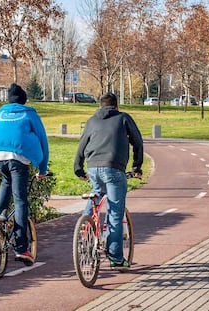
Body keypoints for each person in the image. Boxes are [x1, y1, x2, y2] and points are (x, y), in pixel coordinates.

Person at [0, 83, 49, 264]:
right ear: (24, 100)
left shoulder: (1, 113)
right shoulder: (30, 114)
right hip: (18, 158)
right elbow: (42, 140)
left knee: (6, 180)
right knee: (20, 201)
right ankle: (22, 247)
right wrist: (43, 169)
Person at [74, 92, 143, 271]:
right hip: (114, 167)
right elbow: (138, 143)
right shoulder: (123, 118)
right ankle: (116, 258)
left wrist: (78, 168)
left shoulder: (91, 120)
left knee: (96, 193)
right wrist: (137, 167)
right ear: (116, 106)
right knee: (114, 212)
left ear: (100, 106)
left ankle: (86, 226)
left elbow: (82, 145)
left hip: (93, 167)